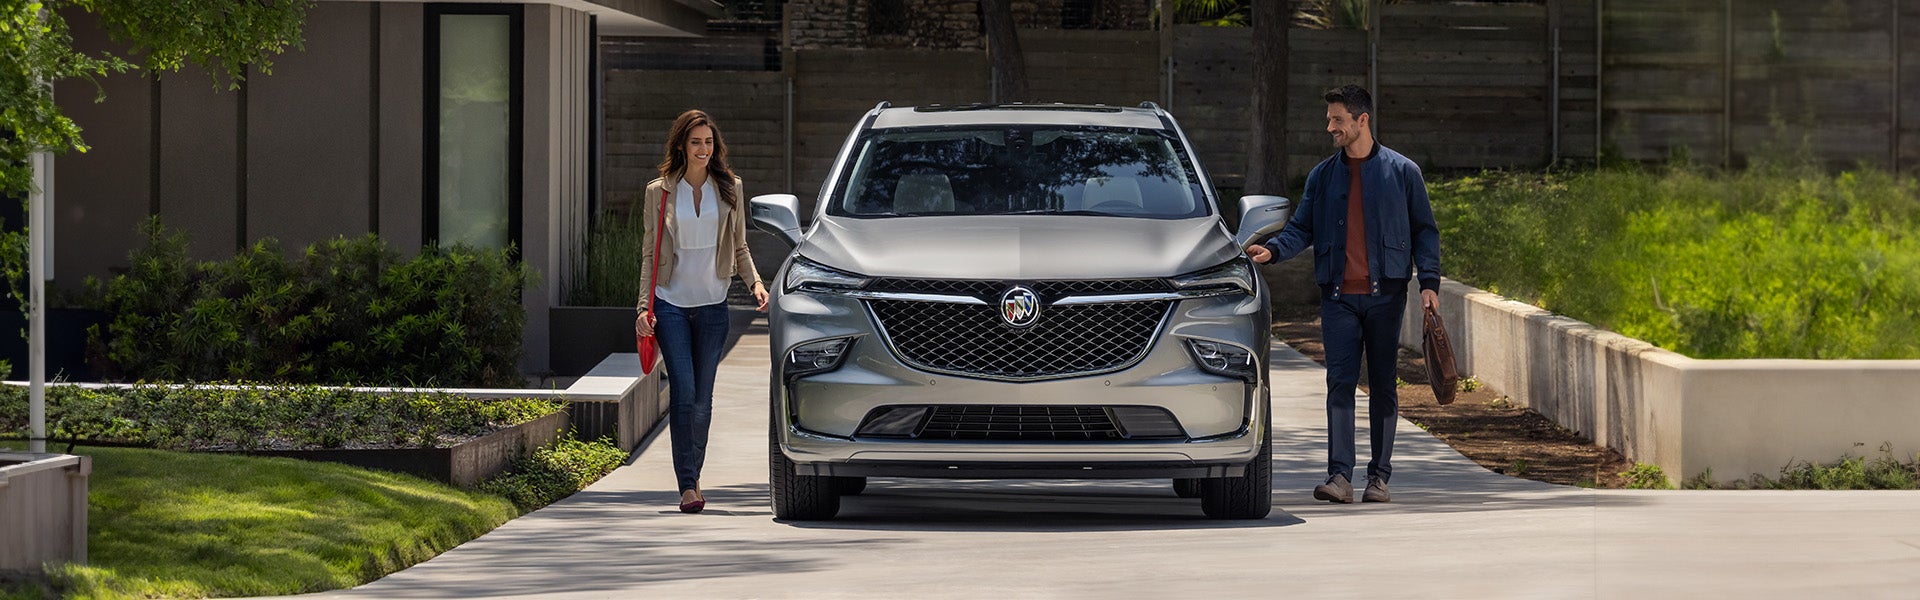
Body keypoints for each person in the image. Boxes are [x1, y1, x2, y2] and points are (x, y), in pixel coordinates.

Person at [1245, 85, 1441, 504]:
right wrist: (1274, 250)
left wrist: (1429, 283)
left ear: (1361, 120)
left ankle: (1379, 478)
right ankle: (1339, 477)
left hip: (1387, 296)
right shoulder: (1322, 176)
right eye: (1329, 119)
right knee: (1339, 383)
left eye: (1337, 120)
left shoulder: (1403, 172)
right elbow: (1302, 228)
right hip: (1338, 298)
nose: (1330, 127)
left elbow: (1425, 231)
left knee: (1384, 384)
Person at [635, 109, 770, 514]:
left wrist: (756, 282)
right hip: (671, 304)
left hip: (713, 306)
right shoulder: (659, 192)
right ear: (681, 145)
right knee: (684, 392)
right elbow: (649, 254)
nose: (703, 149)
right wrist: (643, 308)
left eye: (708, 142)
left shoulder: (729, 188)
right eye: (696, 142)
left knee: (703, 400)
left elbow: (740, 245)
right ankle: (688, 485)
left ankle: (693, 475)